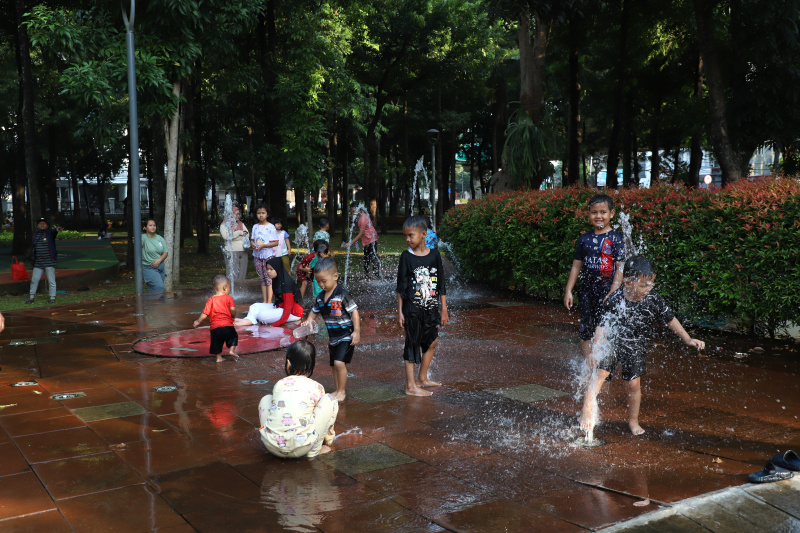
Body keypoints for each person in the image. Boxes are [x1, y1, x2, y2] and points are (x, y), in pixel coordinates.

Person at [580, 256, 705, 436]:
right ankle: (587, 407)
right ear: (628, 282)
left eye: (650, 285)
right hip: (612, 341)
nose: (647, 289)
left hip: (635, 345)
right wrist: (594, 351)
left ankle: (633, 421)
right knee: (600, 373)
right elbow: (603, 326)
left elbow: (670, 319)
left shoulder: (653, 299)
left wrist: (688, 339)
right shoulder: (616, 299)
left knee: (633, 385)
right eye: (643, 285)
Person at [564, 194, 626, 365]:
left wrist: (613, 292)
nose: (598, 216)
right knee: (586, 329)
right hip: (587, 292)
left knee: (605, 328)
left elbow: (620, 267)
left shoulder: (616, 239)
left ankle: (603, 365)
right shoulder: (584, 240)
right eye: (594, 212)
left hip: (607, 292)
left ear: (612, 214)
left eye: (603, 212)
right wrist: (569, 290)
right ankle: (588, 365)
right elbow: (576, 266)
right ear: (589, 214)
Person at [257, 340, 338, 458]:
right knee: (330, 400)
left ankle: (270, 434)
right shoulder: (316, 386)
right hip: (303, 447)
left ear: (288, 363)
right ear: (312, 365)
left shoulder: (279, 384)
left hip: (272, 446)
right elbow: (322, 414)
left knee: (266, 399)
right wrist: (328, 438)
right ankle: (315, 450)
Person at [396, 215, 449, 396]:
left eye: (411, 235)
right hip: (412, 309)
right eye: (405, 236)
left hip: (431, 308)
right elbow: (401, 287)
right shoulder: (406, 257)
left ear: (423, 234)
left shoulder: (434, 255)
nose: (407, 239)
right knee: (412, 343)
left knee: (432, 340)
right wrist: (400, 312)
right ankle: (410, 386)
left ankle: (422, 378)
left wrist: (444, 309)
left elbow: (440, 283)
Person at [300, 257, 360, 402]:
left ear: (335, 276)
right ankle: (337, 389)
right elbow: (314, 311)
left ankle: (342, 391)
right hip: (333, 337)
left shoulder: (342, 295)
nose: (321, 285)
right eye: (318, 281)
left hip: (346, 335)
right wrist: (308, 320)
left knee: (340, 363)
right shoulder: (321, 298)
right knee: (334, 365)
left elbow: (354, 312)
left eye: (324, 281)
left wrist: (356, 331)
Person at [235, 257, 303, 328]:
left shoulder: (286, 283)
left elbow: (289, 306)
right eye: (267, 269)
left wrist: (278, 322)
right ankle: (249, 320)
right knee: (254, 306)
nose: (268, 271)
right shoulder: (276, 279)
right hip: (280, 307)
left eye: (271, 269)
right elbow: (278, 299)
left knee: (261, 316)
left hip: (293, 313)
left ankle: (254, 319)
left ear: (278, 269)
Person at [193, 275, 239, 363]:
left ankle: (218, 358)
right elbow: (232, 310)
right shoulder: (229, 298)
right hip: (228, 326)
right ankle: (231, 350)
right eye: (229, 287)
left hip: (215, 328)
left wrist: (198, 321)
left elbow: (205, 313)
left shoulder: (211, 300)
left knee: (216, 342)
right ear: (225, 288)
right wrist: (233, 317)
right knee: (233, 337)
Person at [26, 217, 59, 305]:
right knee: (34, 280)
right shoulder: (36, 234)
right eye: (40, 224)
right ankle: (31, 297)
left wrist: (57, 229)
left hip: (49, 261)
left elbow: (54, 231)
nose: (42, 225)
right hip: (38, 262)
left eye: (44, 224)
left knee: (51, 280)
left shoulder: (50, 233)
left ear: (47, 226)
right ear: (37, 226)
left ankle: (52, 298)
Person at [251, 204, 279, 303]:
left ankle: (269, 301)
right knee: (262, 278)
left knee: (268, 278)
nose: (261, 215)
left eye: (263, 213)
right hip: (257, 256)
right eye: (258, 213)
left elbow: (276, 242)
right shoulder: (255, 227)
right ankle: (264, 301)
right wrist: (253, 244)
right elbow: (252, 240)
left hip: (268, 256)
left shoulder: (271, 227)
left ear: (267, 214)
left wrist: (263, 246)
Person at [346, 203, 380, 279]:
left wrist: (351, 243)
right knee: (366, 258)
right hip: (368, 239)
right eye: (352, 211)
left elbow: (360, 234)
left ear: (358, 209)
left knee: (372, 257)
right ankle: (367, 276)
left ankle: (376, 276)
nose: (353, 213)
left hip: (371, 239)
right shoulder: (360, 216)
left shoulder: (363, 219)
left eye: (353, 210)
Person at [220, 205, 250, 281]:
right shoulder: (224, 225)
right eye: (236, 214)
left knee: (242, 274)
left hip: (243, 251)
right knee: (232, 274)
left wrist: (233, 237)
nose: (238, 216)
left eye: (239, 214)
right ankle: (231, 291)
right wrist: (239, 232)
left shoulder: (241, 223)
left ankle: (240, 291)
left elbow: (247, 234)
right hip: (231, 251)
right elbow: (226, 237)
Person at [141, 218, 168, 293]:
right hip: (149, 268)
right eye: (150, 225)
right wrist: (136, 241)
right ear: (145, 227)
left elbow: (165, 252)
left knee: (156, 291)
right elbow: (140, 243)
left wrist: (159, 261)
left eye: (154, 225)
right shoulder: (142, 238)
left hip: (160, 267)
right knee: (159, 288)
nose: (153, 227)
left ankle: (154, 304)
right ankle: (153, 304)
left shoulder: (160, 238)